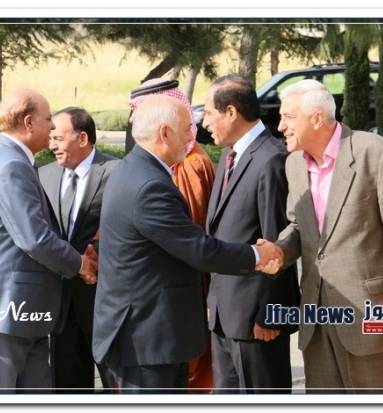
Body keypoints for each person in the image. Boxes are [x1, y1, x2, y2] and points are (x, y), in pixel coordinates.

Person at [92, 94, 283, 392]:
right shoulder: (149, 186)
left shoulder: (133, 169)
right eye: (186, 129)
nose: (191, 137)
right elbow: (199, 249)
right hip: (147, 340)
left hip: (149, 335)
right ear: (164, 133)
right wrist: (258, 255)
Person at [0, 89, 98, 391]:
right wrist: (80, 263)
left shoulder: (7, 159)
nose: (52, 127)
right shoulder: (10, 165)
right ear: (28, 122)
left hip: (17, 315)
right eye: (48, 119)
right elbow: (35, 239)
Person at [270, 79, 383, 391]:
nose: (280, 127)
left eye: (288, 117)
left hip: (368, 318)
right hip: (316, 319)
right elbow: (298, 226)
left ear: (317, 118)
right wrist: (278, 251)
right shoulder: (293, 164)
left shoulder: (376, 153)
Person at [202, 75, 300, 392]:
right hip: (223, 316)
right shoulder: (229, 154)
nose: (204, 122)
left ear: (231, 112)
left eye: (209, 113)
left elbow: (278, 244)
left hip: (257, 321)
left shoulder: (271, 159)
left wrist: (270, 313)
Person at [128, 78, 216, 391]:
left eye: (138, 111)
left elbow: (189, 231)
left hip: (183, 294)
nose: (133, 120)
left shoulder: (189, 164)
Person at [38, 107, 118, 391]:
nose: (51, 145)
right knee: (67, 386)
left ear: (82, 138)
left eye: (58, 138)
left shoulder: (115, 172)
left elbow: (124, 229)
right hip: (61, 301)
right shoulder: (43, 175)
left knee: (116, 381)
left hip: (103, 299)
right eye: (51, 138)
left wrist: (96, 254)